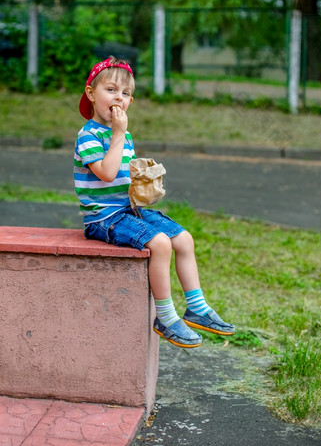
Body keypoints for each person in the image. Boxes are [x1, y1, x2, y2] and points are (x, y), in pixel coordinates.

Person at [74, 56, 235, 348]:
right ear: (90, 93)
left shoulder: (125, 135)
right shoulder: (88, 136)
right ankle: (166, 316)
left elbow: (124, 175)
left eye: (125, 94)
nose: (118, 98)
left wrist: (144, 180)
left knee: (184, 239)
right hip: (103, 219)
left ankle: (197, 308)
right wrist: (119, 135)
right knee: (160, 243)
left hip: (128, 210)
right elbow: (108, 174)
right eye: (111, 90)